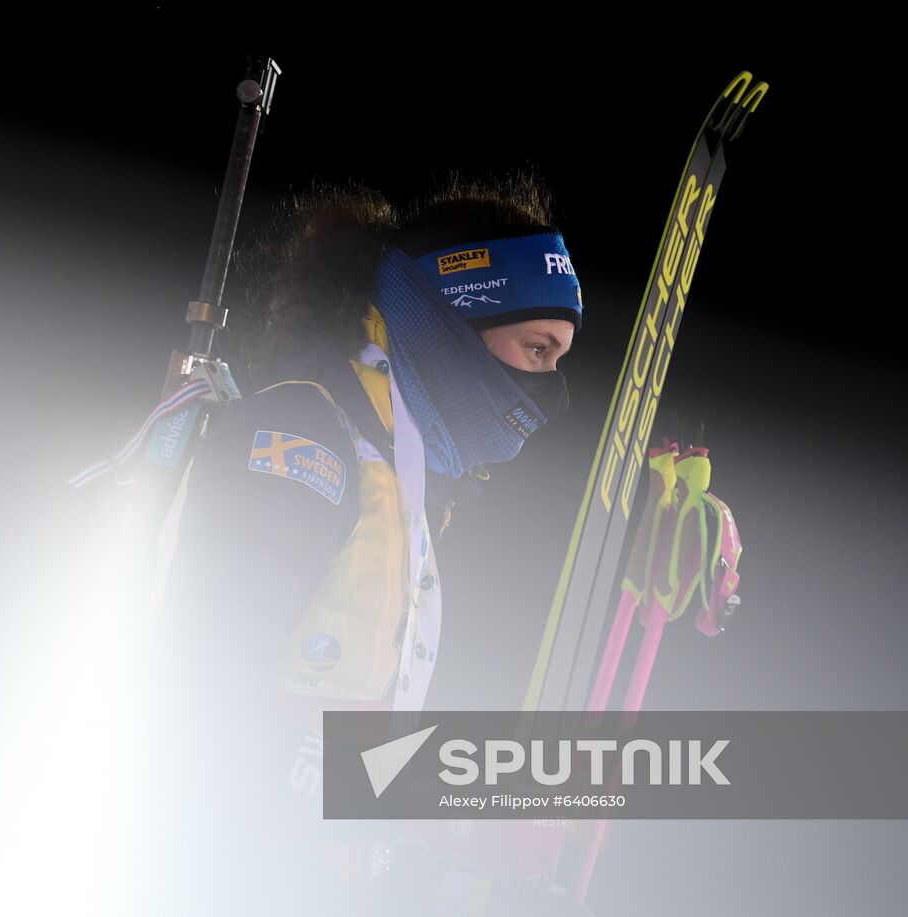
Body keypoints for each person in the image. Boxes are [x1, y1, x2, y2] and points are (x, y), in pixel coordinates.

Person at [140, 171, 585, 915]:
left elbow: (331, 742)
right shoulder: (303, 439)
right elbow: (198, 702)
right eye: (537, 348)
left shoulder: (405, 492)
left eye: (559, 359)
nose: (549, 386)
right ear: (449, 319)